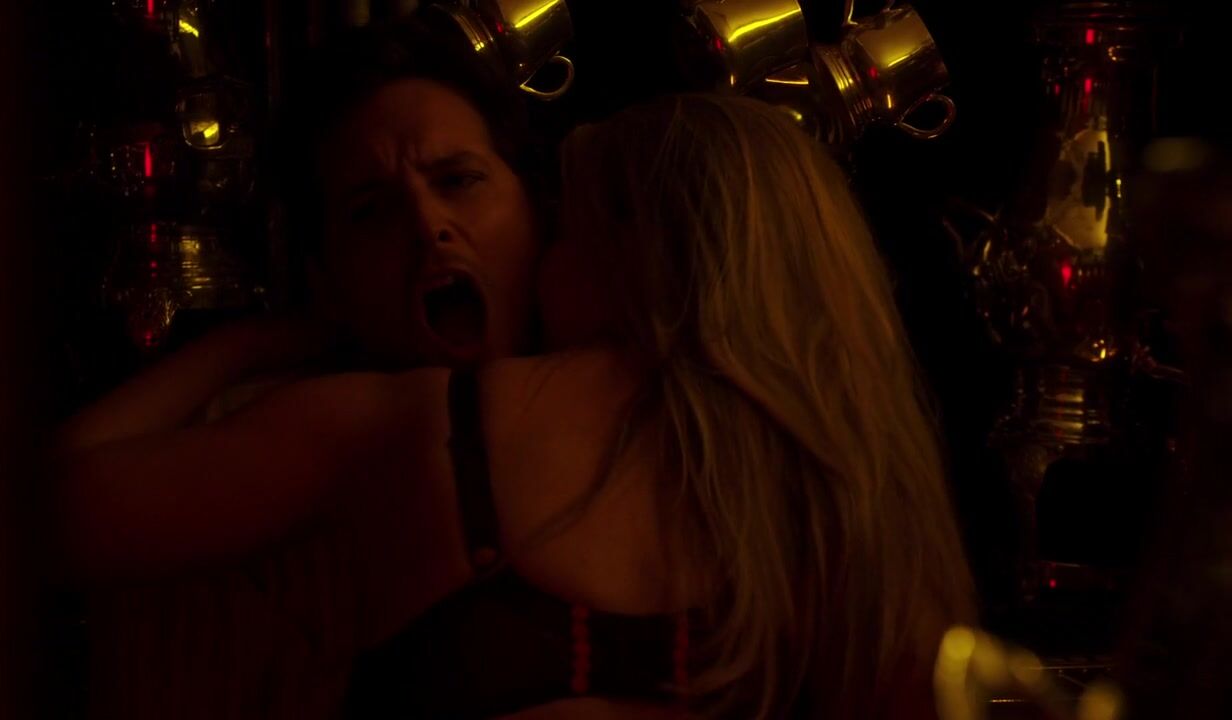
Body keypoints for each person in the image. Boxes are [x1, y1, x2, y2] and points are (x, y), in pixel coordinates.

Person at [55, 91, 976, 718]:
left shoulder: (415, 424)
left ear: (640, 249)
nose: (430, 226)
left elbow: (54, 510)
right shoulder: (874, 500)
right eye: (371, 208)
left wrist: (255, 338)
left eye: (460, 180)